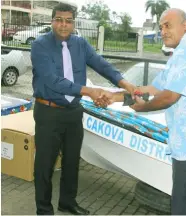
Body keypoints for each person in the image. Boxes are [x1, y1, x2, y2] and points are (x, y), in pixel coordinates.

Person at [107, 8, 186, 215]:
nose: (162, 31)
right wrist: (113, 96)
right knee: (183, 207)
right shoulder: (180, 55)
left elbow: (169, 96)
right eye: (160, 27)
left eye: (167, 25)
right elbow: (152, 89)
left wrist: (142, 108)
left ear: (185, 25)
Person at [30, 3, 135, 215]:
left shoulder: (80, 43)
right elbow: (52, 81)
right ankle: (43, 209)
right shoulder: (40, 45)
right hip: (48, 112)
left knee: (71, 161)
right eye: (59, 19)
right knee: (45, 164)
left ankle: (67, 202)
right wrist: (89, 91)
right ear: (52, 21)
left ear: (73, 23)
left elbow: (101, 64)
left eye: (68, 20)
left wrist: (124, 83)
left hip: (73, 111)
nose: (63, 24)